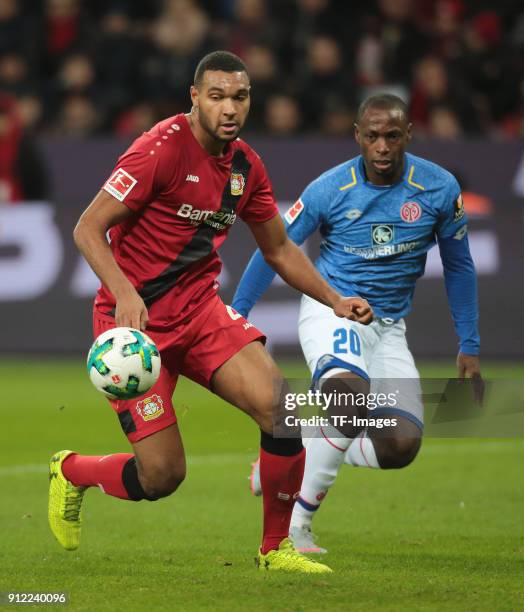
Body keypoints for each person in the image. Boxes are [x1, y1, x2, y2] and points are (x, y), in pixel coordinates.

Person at [47, 50, 373, 573]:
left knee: (281, 410)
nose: (229, 108)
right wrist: (126, 292)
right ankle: (72, 471)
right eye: (217, 96)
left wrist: (334, 299)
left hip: (199, 313)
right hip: (134, 329)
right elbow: (88, 228)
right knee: (162, 478)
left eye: (239, 97)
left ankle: (276, 549)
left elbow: (280, 249)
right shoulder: (158, 150)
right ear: (194, 97)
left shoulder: (245, 166)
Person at [233, 93, 482, 553]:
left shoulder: (439, 188)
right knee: (349, 395)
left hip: (389, 327)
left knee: (400, 447)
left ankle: (298, 451)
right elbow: (275, 249)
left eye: (392, 136)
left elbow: (460, 266)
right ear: (357, 137)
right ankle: (296, 523)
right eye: (372, 136)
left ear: (408, 135)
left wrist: (469, 342)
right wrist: (238, 315)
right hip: (333, 310)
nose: (382, 146)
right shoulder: (330, 188)